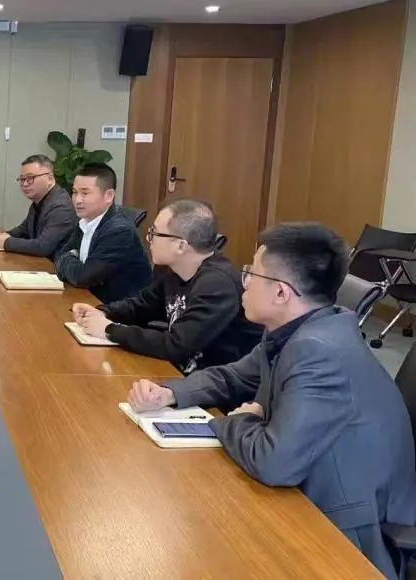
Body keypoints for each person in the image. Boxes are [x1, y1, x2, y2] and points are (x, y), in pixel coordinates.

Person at [127, 223, 416, 577]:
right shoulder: (301, 328)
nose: (244, 282)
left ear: (281, 293)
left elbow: (274, 462)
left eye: (252, 273)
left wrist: (239, 419)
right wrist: (172, 393)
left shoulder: (318, 351)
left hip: (342, 533)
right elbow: (234, 376)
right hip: (304, 489)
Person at [72, 199, 261, 374]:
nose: (149, 239)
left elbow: (177, 345)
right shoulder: (172, 270)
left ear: (181, 246)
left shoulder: (217, 285)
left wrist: (109, 329)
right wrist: (103, 312)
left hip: (213, 386)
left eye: (155, 233)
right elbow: (142, 305)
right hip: (177, 374)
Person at [54, 163, 151, 302]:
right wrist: (69, 258)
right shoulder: (86, 220)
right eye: (74, 192)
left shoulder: (119, 231)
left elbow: (83, 277)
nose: (77, 200)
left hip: (119, 308)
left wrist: (69, 258)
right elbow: (59, 255)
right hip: (88, 298)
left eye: (85, 193)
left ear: (109, 196)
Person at [0, 155, 76, 257]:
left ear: (50, 179)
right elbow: (24, 231)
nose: (25, 184)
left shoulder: (61, 207)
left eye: (30, 178)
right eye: (22, 179)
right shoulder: (39, 200)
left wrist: (6, 242)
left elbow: (42, 246)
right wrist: (2, 235)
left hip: (54, 265)